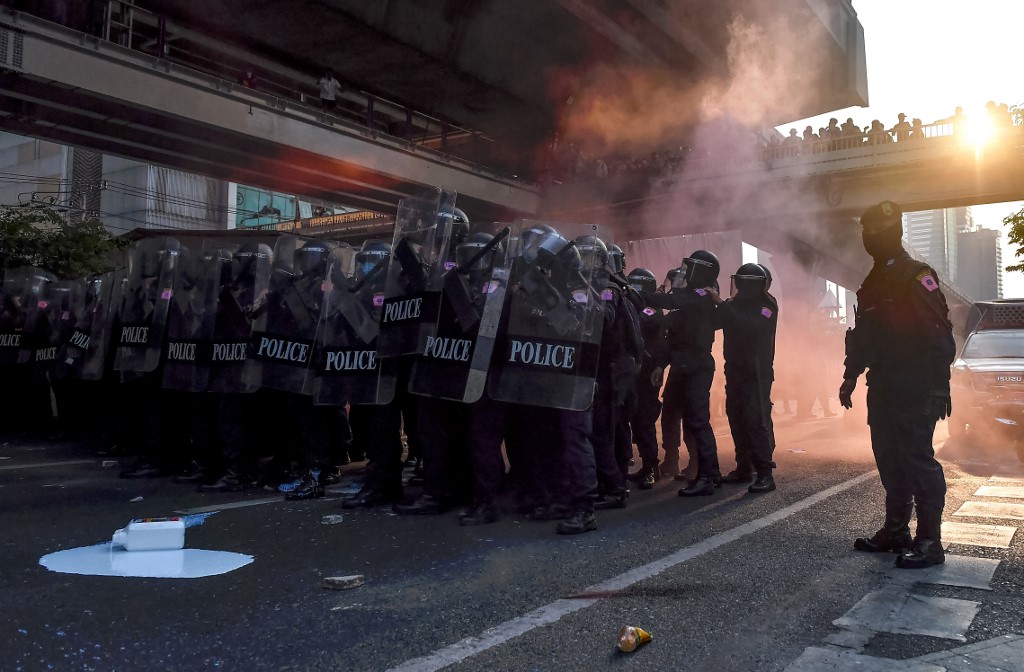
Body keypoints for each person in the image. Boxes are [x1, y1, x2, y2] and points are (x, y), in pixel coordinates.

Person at [840, 201, 956, 569]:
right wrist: (850, 375)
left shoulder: (916, 275)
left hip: (916, 383)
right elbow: (863, 337)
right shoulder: (872, 281)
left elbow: (939, 335)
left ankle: (930, 541)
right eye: (867, 232)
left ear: (894, 234)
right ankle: (896, 531)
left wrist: (940, 386)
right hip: (884, 384)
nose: (871, 239)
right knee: (889, 459)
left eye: (878, 232)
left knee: (917, 459)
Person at [711, 264, 778, 493]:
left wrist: (721, 304)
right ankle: (743, 467)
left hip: (757, 373)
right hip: (736, 370)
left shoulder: (767, 306)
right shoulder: (735, 305)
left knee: (756, 420)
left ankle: (765, 473)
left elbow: (751, 325)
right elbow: (717, 321)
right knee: (736, 417)